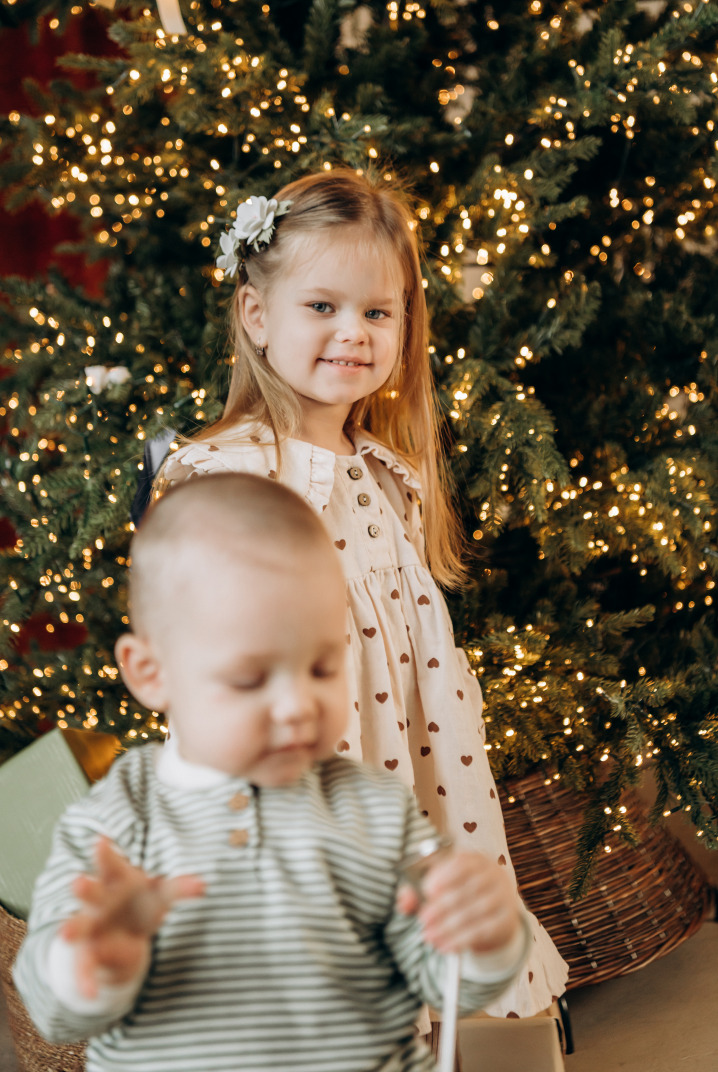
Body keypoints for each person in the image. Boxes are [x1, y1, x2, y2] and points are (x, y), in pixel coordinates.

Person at [154, 169, 568, 1020]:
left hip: (422, 773)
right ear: (257, 317)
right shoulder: (231, 474)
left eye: (377, 313)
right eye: (322, 307)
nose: (354, 333)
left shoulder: (388, 476)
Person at [14, 474, 531, 1072]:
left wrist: (485, 936)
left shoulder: (374, 806)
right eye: (249, 679)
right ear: (152, 672)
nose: (296, 706)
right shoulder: (115, 823)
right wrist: (92, 960)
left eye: (321, 665)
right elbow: (51, 1011)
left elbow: (442, 977)